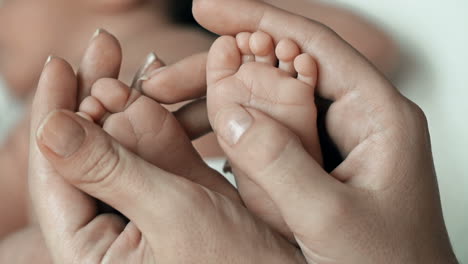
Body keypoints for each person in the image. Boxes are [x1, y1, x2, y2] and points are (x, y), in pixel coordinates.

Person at [25, 0, 458, 263]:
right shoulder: (228, 49)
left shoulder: (216, 42)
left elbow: (376, 46)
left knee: (28, 248)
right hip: (240, 184)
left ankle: (248, 190)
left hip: (209, 183)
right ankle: (258, 197)